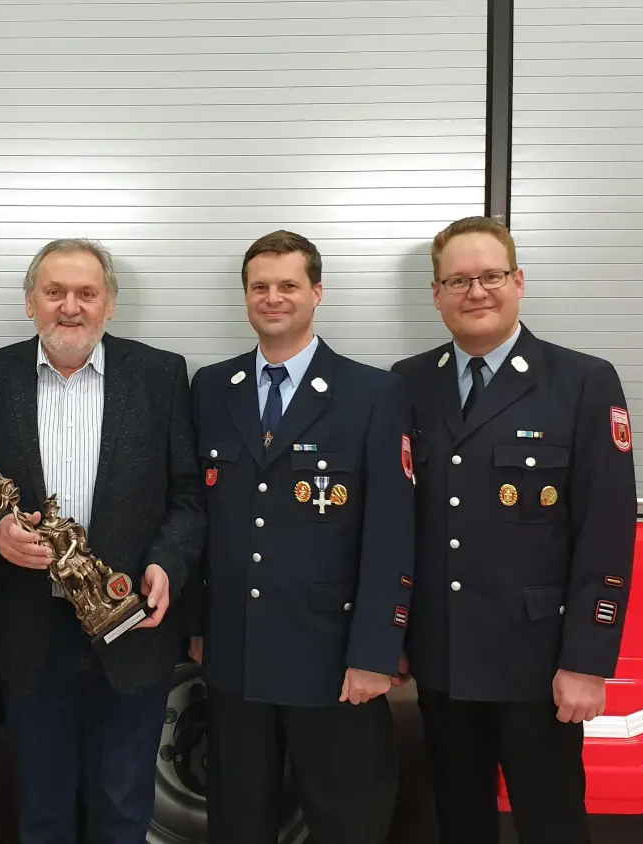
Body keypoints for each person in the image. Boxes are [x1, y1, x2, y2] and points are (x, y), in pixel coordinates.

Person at [390, 216, 637, 844]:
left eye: (491, 276)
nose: (476, 291)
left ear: (519, 281)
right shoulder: (408, 383)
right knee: (459, 820)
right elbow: (395, 522)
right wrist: (391, 635)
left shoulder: (582, 381)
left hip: (537, 661)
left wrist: (586, 660)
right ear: (437, 293)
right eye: (458, 280)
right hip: (444, 656)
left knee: (551, 821)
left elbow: (606, 528)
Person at [0, 238, 205, 844]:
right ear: (30, 302)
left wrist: (167, 563)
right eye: (54, 292)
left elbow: (189, 498)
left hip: (132, 630)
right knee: (43, 812)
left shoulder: (161, 376)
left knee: (123, 811)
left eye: (87, 293)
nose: (70, 307)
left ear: (109, 304)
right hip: (29, 633)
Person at [187, 230, 415, 844]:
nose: (273, 297)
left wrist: (375, 651)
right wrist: (199, 626)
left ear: (317, 293)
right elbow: (199, 516)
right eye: (259, 286)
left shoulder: (372, 393)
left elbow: (392, 532)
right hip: (235, 654)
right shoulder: (212, 387)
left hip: (331, 660)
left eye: (288, 285)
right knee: (238, 821)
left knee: (347, 820)